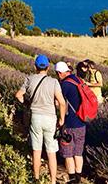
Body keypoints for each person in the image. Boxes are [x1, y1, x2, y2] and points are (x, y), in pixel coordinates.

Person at [15, 55, 66, 184]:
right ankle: (53, 180)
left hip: (36, 117)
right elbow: (62, 102)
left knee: (36, 150)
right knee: (51, 152)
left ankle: (36, 178)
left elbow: (18, 95)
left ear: (35, 67)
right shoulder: (53, 82)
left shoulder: (29, 79)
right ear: (48, 67)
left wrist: (26, 104)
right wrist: (62, 119)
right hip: (50, 118)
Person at [55, 61, 86, 184]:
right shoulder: (79, 80)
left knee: (68, 153)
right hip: (82, 122)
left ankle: (72, 180)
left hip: (69, 124)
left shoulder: (65, 84)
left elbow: (59, 103)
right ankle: (78, 178)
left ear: (59, 73)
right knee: (78, 152)